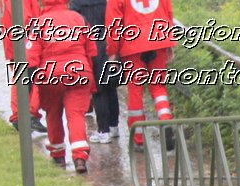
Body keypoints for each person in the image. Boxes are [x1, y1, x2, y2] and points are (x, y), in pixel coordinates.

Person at [105, 0, 174, 149]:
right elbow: (168, 13)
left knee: (135, 89)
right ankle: (165, 118)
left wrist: (113, 51)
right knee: (158, 86)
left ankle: (139, 138)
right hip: (158, 39)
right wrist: (169, 42)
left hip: (133, 44)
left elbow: (114, 24)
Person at [33, 1, 92, 172]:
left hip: (51, 75)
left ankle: (58, 155)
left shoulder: (39, 23)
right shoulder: (78, 19)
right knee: (76, 115)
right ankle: (80, 157)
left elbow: (31, 57)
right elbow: (91, 50)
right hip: (79, 72)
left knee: (53, 113)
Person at [69, 0, 118, 143]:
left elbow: (75, 21)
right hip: (108, 39)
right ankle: (114, 126)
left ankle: (103, 130)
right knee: (110, 85)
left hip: (90, 42)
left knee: (98, 88)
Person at [0, 0, 46, 131]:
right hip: (25, 42)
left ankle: (22, 114)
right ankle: (27, 114)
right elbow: (24, 18)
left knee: (21, 77)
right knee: (37, 76)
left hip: (12, 40)